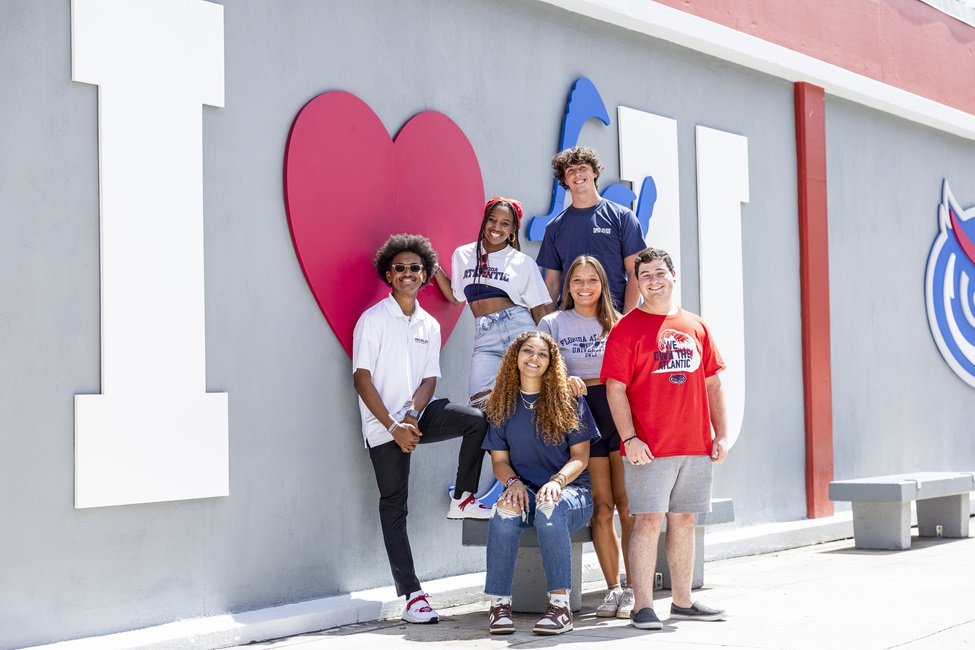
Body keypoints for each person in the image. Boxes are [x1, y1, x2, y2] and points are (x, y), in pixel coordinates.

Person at [352, 234, 491, 625]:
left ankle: (463, 497)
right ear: (388, 274)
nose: (407, 273)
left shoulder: (429, 324)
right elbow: (361, 379)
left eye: (415, 267)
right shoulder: (373, 320)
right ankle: (413, 596)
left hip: (416, 415)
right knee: (394, 507)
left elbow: (429, 379)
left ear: (426, 274)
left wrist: (412, 415)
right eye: (400, 268)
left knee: (477, 420)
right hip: (383, 426)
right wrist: (393, 425)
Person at [601, 247, 730, 630]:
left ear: (673, 275)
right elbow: (615, 389)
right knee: (648, 521)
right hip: (648, 448)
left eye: (660, 273)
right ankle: (642, 606)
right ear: (638, 283)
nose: (653, 281)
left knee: (685, 520)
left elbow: (713, 384)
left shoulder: (696, 325)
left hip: (695, 445)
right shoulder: (626, 329)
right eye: (645, 276)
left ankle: (683, 601)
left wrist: (721, 433)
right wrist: (629, 438)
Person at [481, 331, 599, 636]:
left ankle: (560, 607)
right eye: (527, 351)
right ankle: (499, 604)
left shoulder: (568, 400)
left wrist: (558, 481)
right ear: (515, 357)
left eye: (542, 354)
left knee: (549, 505)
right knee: (503, 510)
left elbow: (581, 457)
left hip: (571, 493)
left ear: (551, 363)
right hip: (525, 491)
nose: (534, 358)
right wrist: (512, 483)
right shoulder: (501, 404)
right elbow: (499, 461)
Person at [538, 255, 634, 619]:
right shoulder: (552, 323)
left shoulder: (619, 323)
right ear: (568, 286)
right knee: (602, 507)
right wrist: (563, 378)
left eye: (592, 280)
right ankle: (613, 589)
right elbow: (538, 368)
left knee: (628, 506)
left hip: (618, 416)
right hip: (581, 420)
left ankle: (634, 588)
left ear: (602, 284)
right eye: (577, 280)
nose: (584, 287)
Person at [432, 196, 550, 405]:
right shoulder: (462, 255)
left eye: (505, 224)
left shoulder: (523, 262)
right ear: (484, 221)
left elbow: (538, 311)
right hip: (485, 337)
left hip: (519, 332)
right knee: (479, 403)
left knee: (527, 401)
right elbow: (456, 297)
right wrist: (434, 266)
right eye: (492, 220)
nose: (496, 227)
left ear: (512, 230)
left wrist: (547, 349)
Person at [536, 146, 645, 314]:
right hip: (570, 319)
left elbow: (635, 272)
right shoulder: (555, 227)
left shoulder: (622, 217)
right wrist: (545, 325)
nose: (577, 174)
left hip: (613, 316)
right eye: (570, 170)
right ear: (564, 180)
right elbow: (552, 283)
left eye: (582, 167)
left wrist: (626, 319)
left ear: (594, 172)